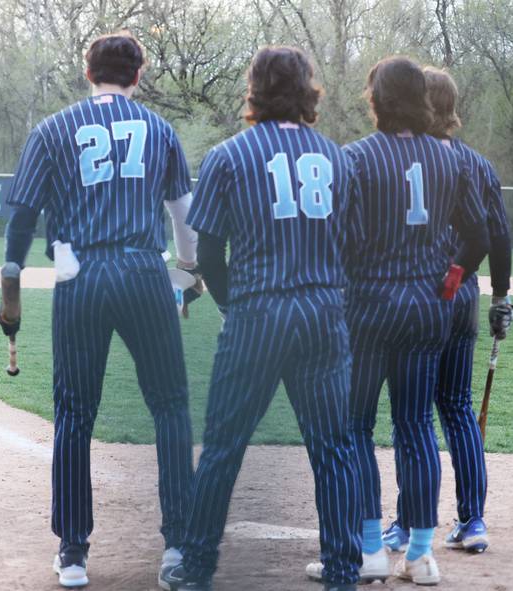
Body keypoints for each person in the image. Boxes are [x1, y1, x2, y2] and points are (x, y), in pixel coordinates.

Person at [0, 32, 200, 588]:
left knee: (75, 413)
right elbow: (183, 215)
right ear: (139, 76)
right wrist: (187, 273)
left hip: (79, 276)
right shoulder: (159, 130)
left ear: (89, 73)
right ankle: (179, 547)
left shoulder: (53, 129)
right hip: (141, 272)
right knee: (171, 407)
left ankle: (73, 552)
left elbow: (22, 217)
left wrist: (11, 277)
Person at [160, 46, 363, 591]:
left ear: (253, 90)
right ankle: (344, 569)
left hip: (258, 313)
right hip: (322, 313)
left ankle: (197, 565)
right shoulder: (337, 157)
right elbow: (353, 248)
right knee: (335, 450)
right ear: (307, 90)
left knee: (225, 445)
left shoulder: (230, 156)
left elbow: (206, 255)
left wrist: (231, 305)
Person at [342, 57, 488, 586]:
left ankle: (369, 550)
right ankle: (422, 556)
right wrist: (450, 280)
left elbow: (338, 241)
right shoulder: (452, 161)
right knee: (416, 425)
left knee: (355, 427)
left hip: (369, 309)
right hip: (429, 310)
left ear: (376, 99)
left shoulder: (355, 158)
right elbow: (480, 236)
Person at [381, 66, 513, 556]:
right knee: (457, 407)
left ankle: (408, 524)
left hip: (423, 296)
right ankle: (472, 521)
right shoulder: (477, 164)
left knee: (411, 416)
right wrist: (500, 297)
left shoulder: (405, 158)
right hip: (463, 298)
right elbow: (498, 237)